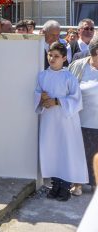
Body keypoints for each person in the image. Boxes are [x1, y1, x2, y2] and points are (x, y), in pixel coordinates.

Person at [35, 41, 88, 201]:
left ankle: (65, 186)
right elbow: (37, 92)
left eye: (56, 56)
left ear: (64, 58)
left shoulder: (69, 77)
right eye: (50, 55)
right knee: (51, 150)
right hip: (49, 120)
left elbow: (77, 100)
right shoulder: (42, 75)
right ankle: (55, 184)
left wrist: (57, 101)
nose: (52, 58)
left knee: (66, 151)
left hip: (66, 122)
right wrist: (41, 98)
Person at [69, 36, 98, 196]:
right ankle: (77, 183)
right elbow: (67, 86)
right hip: (81, 121)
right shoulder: (79, 66)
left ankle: (95, 185)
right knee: (80, 153)